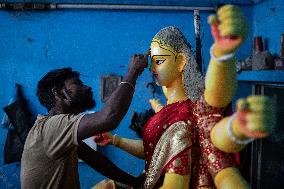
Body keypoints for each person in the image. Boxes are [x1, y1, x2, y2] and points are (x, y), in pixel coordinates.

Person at [94, 5, 276, 189]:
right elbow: (155, 151)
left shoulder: (184, 120)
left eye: (158, 61)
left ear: (181, 61)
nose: (151, 69)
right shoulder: (170, 110)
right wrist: (115, 140)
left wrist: (222, 53)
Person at [20, 54, 148, 189]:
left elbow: (98, 161)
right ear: (59, 93)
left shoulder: (56, 131)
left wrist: (135, 182)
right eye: (78, 83)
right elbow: (109, 117)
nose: (87, 88)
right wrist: (133, 72)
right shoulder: (52, 127)